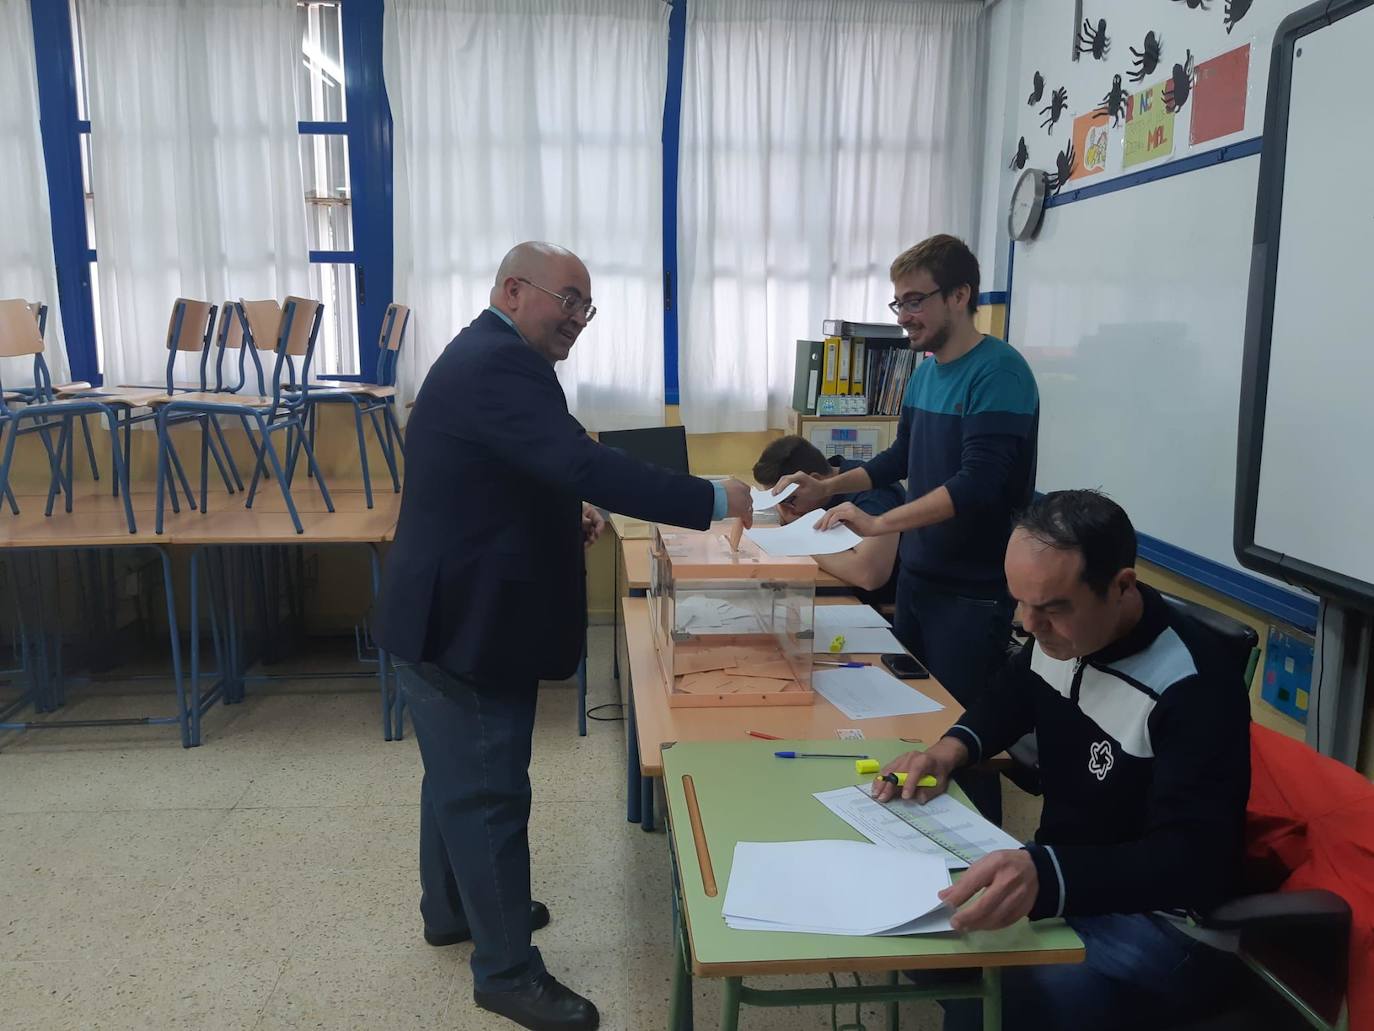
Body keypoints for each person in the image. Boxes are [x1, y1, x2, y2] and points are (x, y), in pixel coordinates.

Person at [373, 242, 752, 1031]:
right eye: (568, 300)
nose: (578, 319)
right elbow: (581, 462)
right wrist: (715, 496)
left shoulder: (495, 356)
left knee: (453, 773)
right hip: (460, 621)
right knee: (487, 788)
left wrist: (563, 507)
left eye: (587, 306)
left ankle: (450, 909)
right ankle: (506, 971)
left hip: (446, 605)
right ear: (514, 289)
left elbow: (529, 464)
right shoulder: (497, 364)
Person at [877, 490, 1251, 1031]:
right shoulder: (1064, 636)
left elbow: (1191, 858)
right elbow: (1009, 696)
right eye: (1019, 601)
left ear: (1122, 587)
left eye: (1051, 608)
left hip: (1164, 925)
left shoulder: (1193, 689)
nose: (1028, 625)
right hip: (1074, 879)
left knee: (985, 992)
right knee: (930, 942)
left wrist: (1046, 875)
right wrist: (946, 750)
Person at [777, 234, 1039, 822]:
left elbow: (979, 484)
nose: (904, 318)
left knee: (961, 736)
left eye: (915, 301)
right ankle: (912, 835)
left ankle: (979, 852)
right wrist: (828, 487)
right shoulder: (925, 374)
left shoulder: (999, 373)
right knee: (909, 724)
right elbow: (901, 458)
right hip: (921, 580)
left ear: (960, 295)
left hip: (971, 592)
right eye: (898, 304)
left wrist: (878, 522)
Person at [752, 435, 903, 605]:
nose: (783, 511)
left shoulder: (875, 496)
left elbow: (868, 575)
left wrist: (797, 535)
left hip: (874, 605)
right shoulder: (828, 477)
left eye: (787, 501)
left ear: (814, 480)